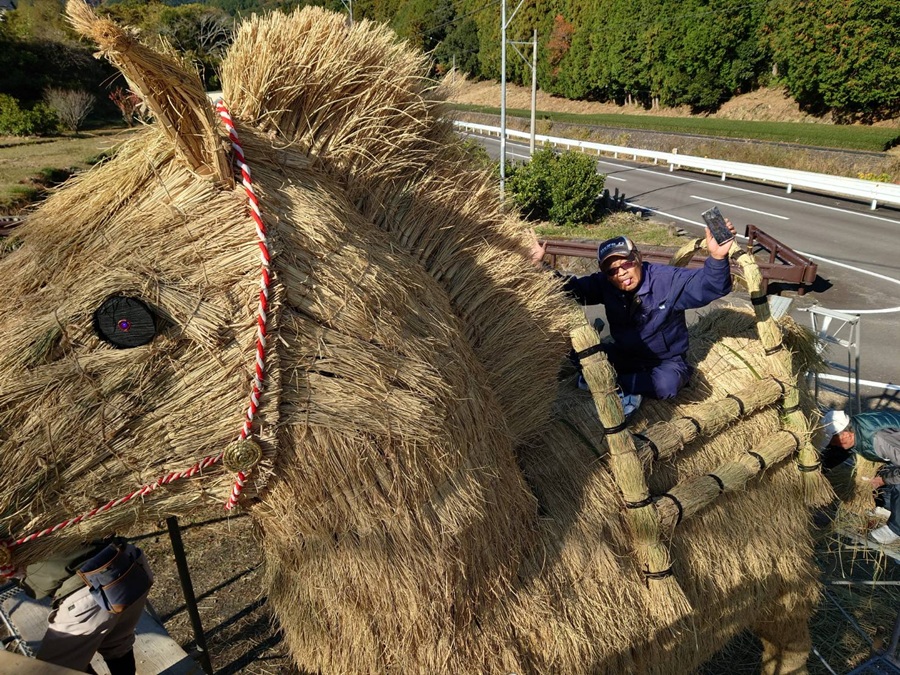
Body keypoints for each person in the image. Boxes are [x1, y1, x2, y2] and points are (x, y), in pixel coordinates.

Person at [532, 224, 735, 413]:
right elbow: (571, 290)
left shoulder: (666, 280)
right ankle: (619, 382)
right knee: (578, 350)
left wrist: (717, 258)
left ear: (637, 257)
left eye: (626, 263)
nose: (621, 273)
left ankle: (612, 384)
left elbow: (710, 286)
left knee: (668, 384)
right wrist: (540, 266)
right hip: (624, 355)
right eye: (611, 270)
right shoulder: (606, 283)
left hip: (663, 363)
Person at [19, 538, 154, 674]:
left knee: (55, 670)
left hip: (93, 590)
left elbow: (35, 586)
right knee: (117, 642)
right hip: (129, 560)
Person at [821, 409, 900, 545]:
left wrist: (883, 479)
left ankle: (895, 529)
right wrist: (816, 471)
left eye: (833, 441)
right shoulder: (854, 429)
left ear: (846, 435)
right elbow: (836, 453)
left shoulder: (879, 439)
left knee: (897, 484)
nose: (833, 445)